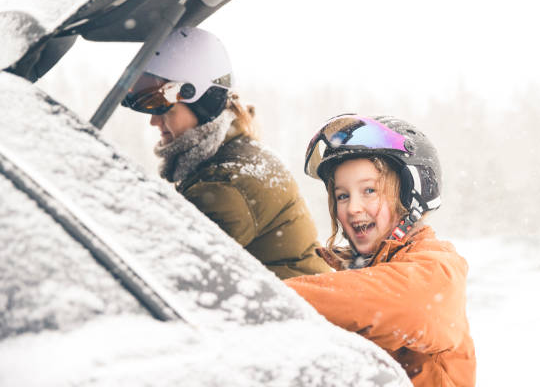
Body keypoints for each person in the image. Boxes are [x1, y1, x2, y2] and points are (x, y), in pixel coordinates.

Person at [121, 27, 330, 279]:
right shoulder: (227, 159)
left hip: (291, 314)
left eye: (164, 109)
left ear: (199, 103)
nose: (154, 122)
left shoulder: (225, 186)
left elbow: (171, 272)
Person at [284, 114, 476, 386]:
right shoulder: (366, 270)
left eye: (370, 190)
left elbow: (409, 303)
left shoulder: (438, 267)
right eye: (342, 195)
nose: (352, 208)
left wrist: (273, 295)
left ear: (411, 197)